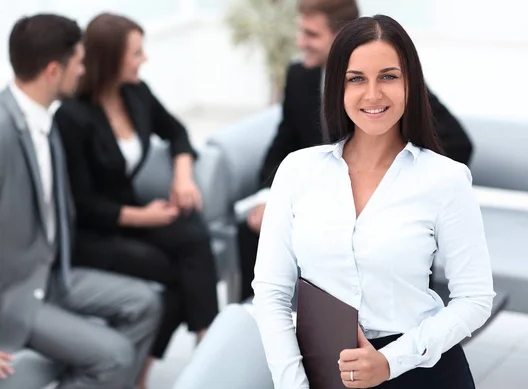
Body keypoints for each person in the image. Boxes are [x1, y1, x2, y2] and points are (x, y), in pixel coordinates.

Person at [252, 14, 494, 389]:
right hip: (322, 371)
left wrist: (389, 362)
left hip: (421, 372)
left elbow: (475, 298)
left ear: (411, 83)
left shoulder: (445, 179)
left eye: (388, 76)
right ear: (337, 87)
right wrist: (293, 383)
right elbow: (271, 292)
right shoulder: (297, 171)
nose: (373, 94)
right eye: (356, 79)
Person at [0, 14, 162, 389]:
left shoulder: (42, 117)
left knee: (146, 303)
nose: (84, 71)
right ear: (54, 70)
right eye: (79, 62)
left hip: (50, 275)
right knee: (115, 354)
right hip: (6, 300)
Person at [237, 0, 473, 301]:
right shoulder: (299, 78)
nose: (300, 43)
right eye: (356, 80)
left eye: (311, 34)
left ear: (341, 38)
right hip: (318, 197)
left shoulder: (395, 87)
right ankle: (251, 318)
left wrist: (406, 185)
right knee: (252, 230)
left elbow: (458, 143)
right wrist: (266, 198)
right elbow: (282, 145)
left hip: (384, 202)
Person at [54, 13, 219, 388]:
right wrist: (147, 217)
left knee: (192, 234)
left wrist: (182, 176)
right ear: (109, 57)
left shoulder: (135, 93)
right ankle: (204, 354)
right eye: (136, 53)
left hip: (133, 217)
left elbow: (176, 131)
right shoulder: (72, 117)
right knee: (184, 269)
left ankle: (189, 352)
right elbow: (85, 206)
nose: (143, 59)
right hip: (94, 233)